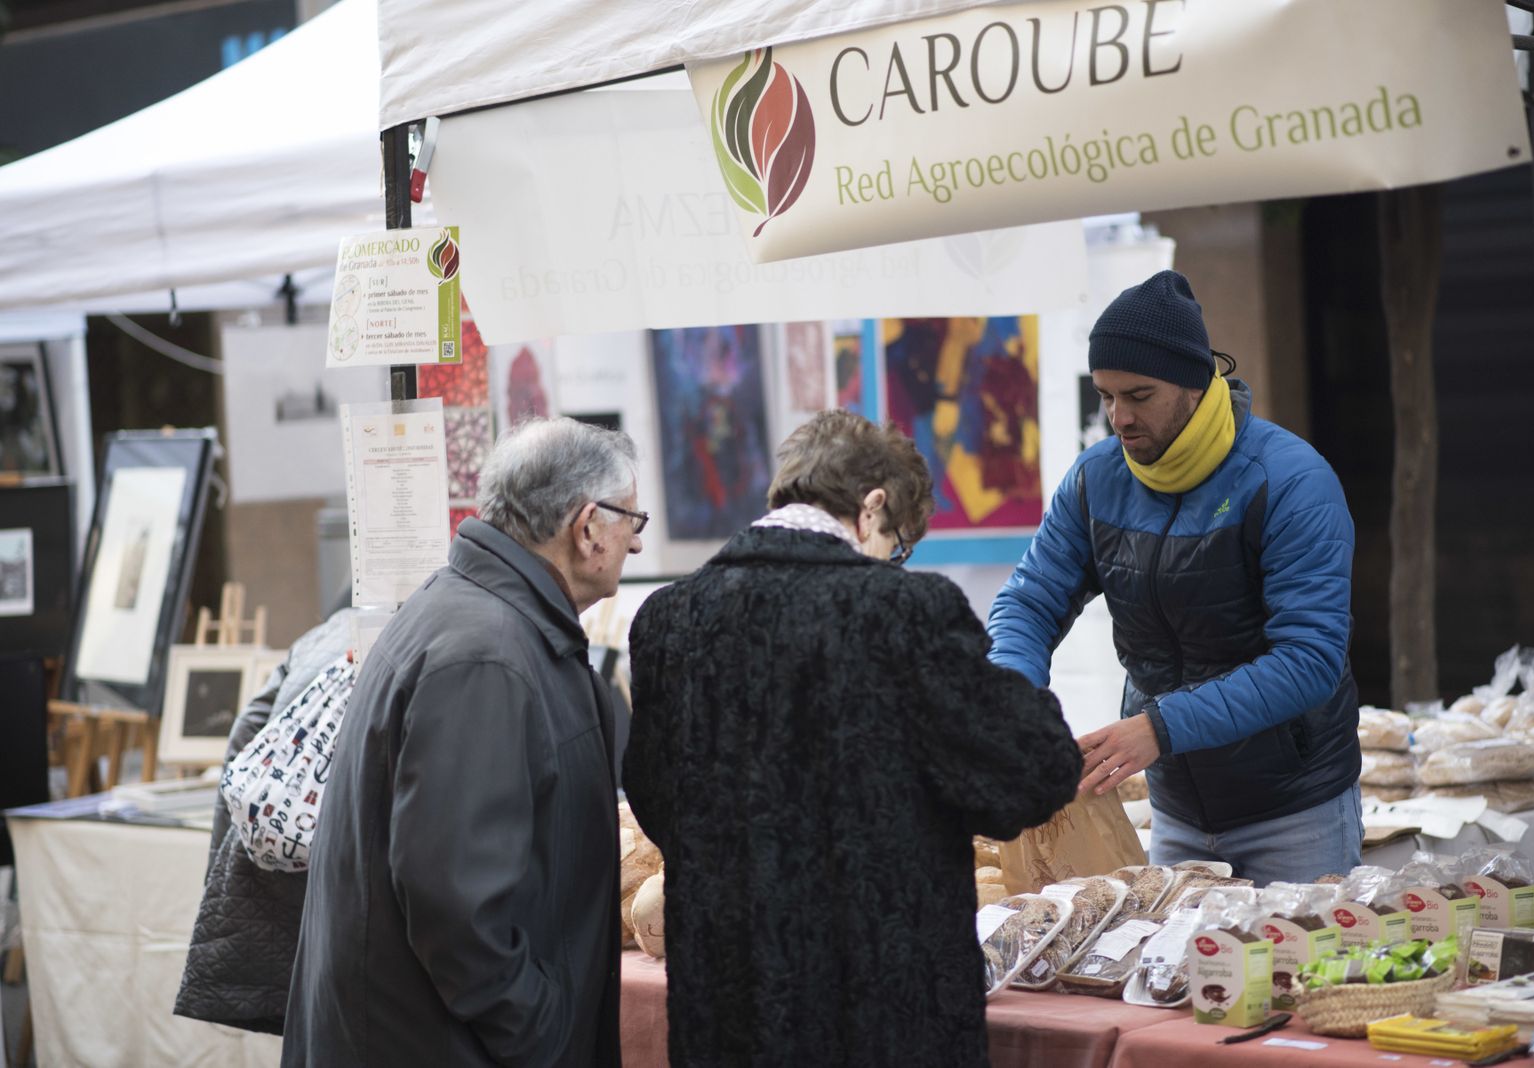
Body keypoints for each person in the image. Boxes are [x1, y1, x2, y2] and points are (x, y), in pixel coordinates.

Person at [623, 410, 1081, 1068]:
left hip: (731, 1008)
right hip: (880, 1011)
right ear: (872, 508)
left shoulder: (669, 618)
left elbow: (656, 797)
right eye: (898, 545)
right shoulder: (902, 610)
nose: (894, 563)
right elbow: (1031, 772)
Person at [281, 418, 644, 1068]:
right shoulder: (486, 657)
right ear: (588, 526)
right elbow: (457, 906)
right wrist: (543, 1031)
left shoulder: (477, 618)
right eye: (632, 522)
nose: (635, 546)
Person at [987, 270, 1361, 886]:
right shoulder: (1095, 479)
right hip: (1179, 814)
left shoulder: (1291, 479)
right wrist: (1017, 698)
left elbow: (1309, 659)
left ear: (1195, 384)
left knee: (1299, 983)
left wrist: (1161, 728)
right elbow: (1029, 602)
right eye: (1105, 396)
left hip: (1296, 814)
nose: (1119, 418)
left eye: (1139, 395)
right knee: (1180, 983)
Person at [174, 604, 355, 1035]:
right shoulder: (432, 632)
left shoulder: (324, 635)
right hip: (351, 915)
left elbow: (244, 736)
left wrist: (216, 891)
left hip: (266, 902)